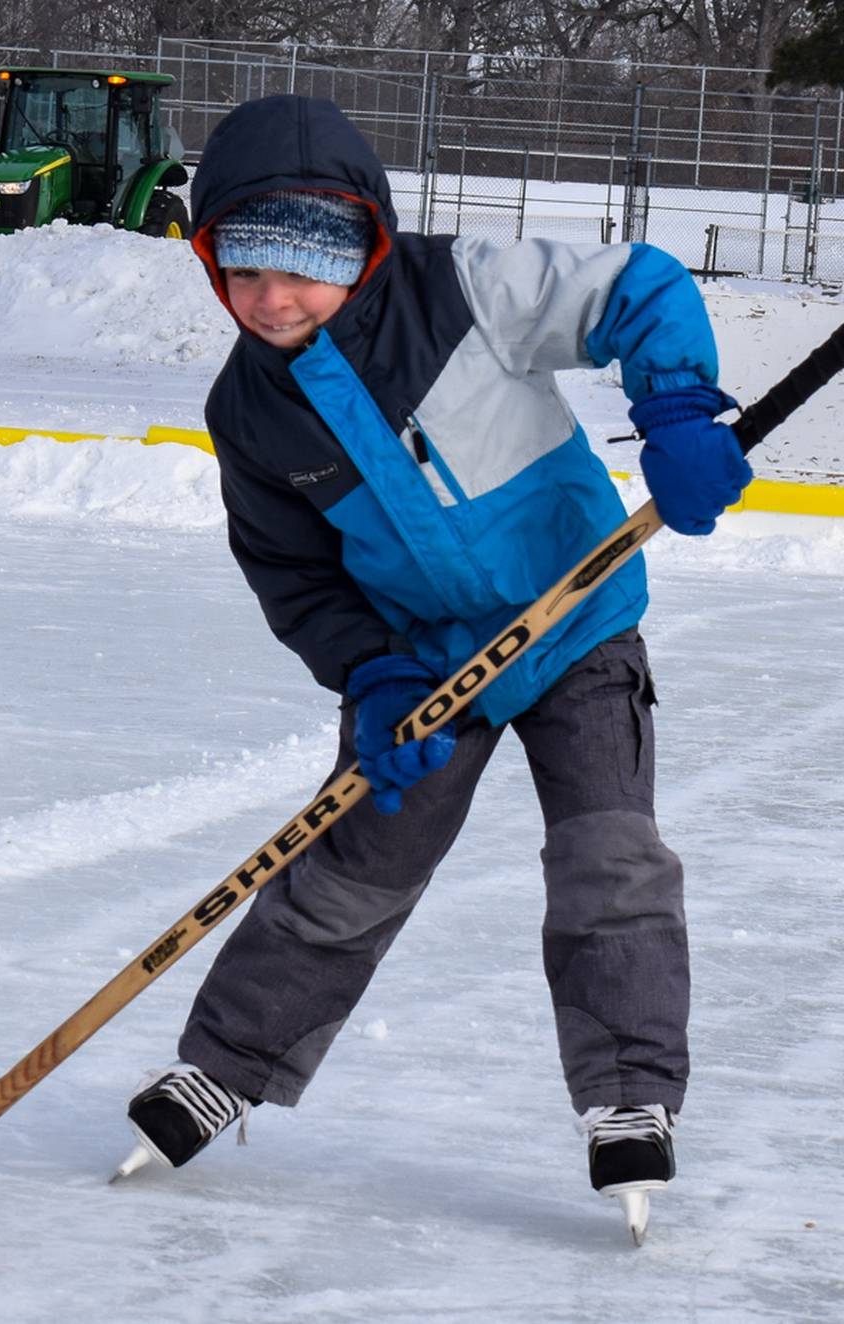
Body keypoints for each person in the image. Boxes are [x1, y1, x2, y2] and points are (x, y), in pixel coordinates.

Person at [112, 94, 751, 1239]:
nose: (273, 299)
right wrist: (371, 675)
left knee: (610, 856)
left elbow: (636, 287)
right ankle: (229, 1064)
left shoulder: (463, 289)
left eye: (304, 264)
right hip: (425, 671)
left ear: (366, 238)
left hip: (579, 624)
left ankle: (629, 1095)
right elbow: (293, 573)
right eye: (242, 268)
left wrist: (681, 405)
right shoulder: (248, 409)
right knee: (346, 866)